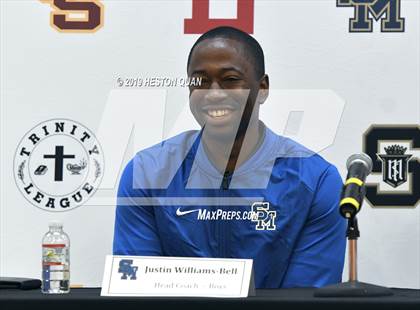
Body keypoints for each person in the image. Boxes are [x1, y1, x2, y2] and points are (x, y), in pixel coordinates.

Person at [113, 26, 346, 288]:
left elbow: (304, 300)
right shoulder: (147, 173)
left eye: (231, 79)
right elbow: (138, 288)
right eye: (199, 81)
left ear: (263, 88)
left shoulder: (317, 181)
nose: (213, 94)